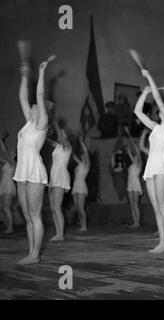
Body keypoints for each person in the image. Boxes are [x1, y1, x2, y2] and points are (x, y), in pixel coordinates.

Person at [13, 58, 52, 264]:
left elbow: (39, 94)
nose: (33, 106)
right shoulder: (29, 123)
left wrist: (41, 72)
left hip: (34, 170)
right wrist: (24, 76)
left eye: (36, 106)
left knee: (35, 215)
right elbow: (22, 96)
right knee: (27, 216)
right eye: (33, 107)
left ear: (43, 110)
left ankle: (35, 255)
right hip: (21, 170)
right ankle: (30, 253)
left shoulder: (42, 124)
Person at [134, 70, 164, 253]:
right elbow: (137, 112)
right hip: (151, 167)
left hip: (162, 167)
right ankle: (161, 242)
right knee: (157, 208)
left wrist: (150, 78)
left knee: (163, 207)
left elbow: (158, 100)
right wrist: (144, 93)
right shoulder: (156, 127)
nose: (163, 106)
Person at [47, 120, 72, 241]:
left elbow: (61, 135)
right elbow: (47, 139)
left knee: (57, 207)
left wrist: (55, 122)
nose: (59, 134)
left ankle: (60, 234)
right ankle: (57, 232)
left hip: (61, 177)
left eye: (62, 133)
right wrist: (44, 130)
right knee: (53, 207)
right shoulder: (58, 146)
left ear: (66, 135)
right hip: (54, 177)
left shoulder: (68, 147)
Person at [125, 127, 143, 228]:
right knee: (131, 204)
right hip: (130, 184)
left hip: (136, 184)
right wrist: (129, 152)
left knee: (135, 204)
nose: (134, 156)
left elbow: (137, 152)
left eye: (136, 155)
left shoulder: (139, 164)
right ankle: (134, 222)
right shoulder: (132, 164)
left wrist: (129, 135)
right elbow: (133, 155)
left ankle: (138, 222)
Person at [71, 136, 90, 232]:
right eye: (81, 155)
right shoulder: (79, 164)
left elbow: (86, 152)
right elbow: (73, 155)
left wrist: (81, 142)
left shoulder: (86, 166)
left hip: (82, 186)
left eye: (83, 156)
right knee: (77, 207)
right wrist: (74, 143)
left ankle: (85, 226)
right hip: (75, 186)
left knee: (81, 207)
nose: (82, 156)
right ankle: (82, 224)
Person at [0, 136, 16, 234]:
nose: (10, 152)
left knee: (6, 208)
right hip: (4, 185)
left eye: (12, 152)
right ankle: (8, 226)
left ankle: (10, 228)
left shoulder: (13, 163)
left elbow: (4, 152)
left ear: (14, 155)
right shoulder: (7, 162)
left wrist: (1, 141)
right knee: (4, 208)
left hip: (9, 186)